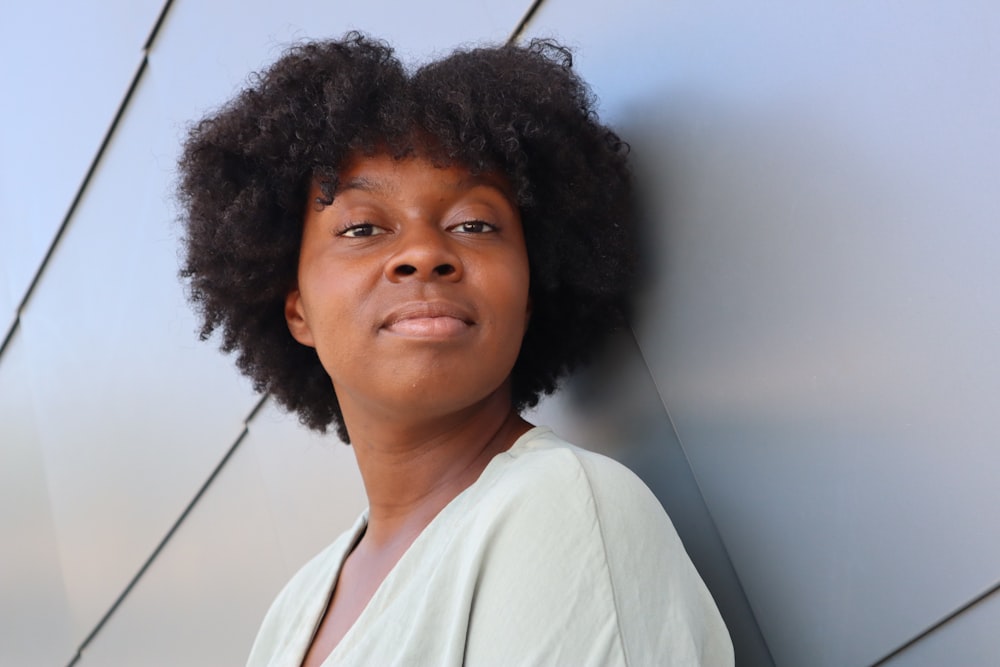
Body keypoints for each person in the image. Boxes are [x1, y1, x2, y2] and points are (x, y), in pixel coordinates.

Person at [176, 32, 733, 666]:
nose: (423, 254)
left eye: (474, 224)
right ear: (297, 309)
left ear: (528, 293)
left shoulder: (558, 508)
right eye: (362, 227)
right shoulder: (293, 613)